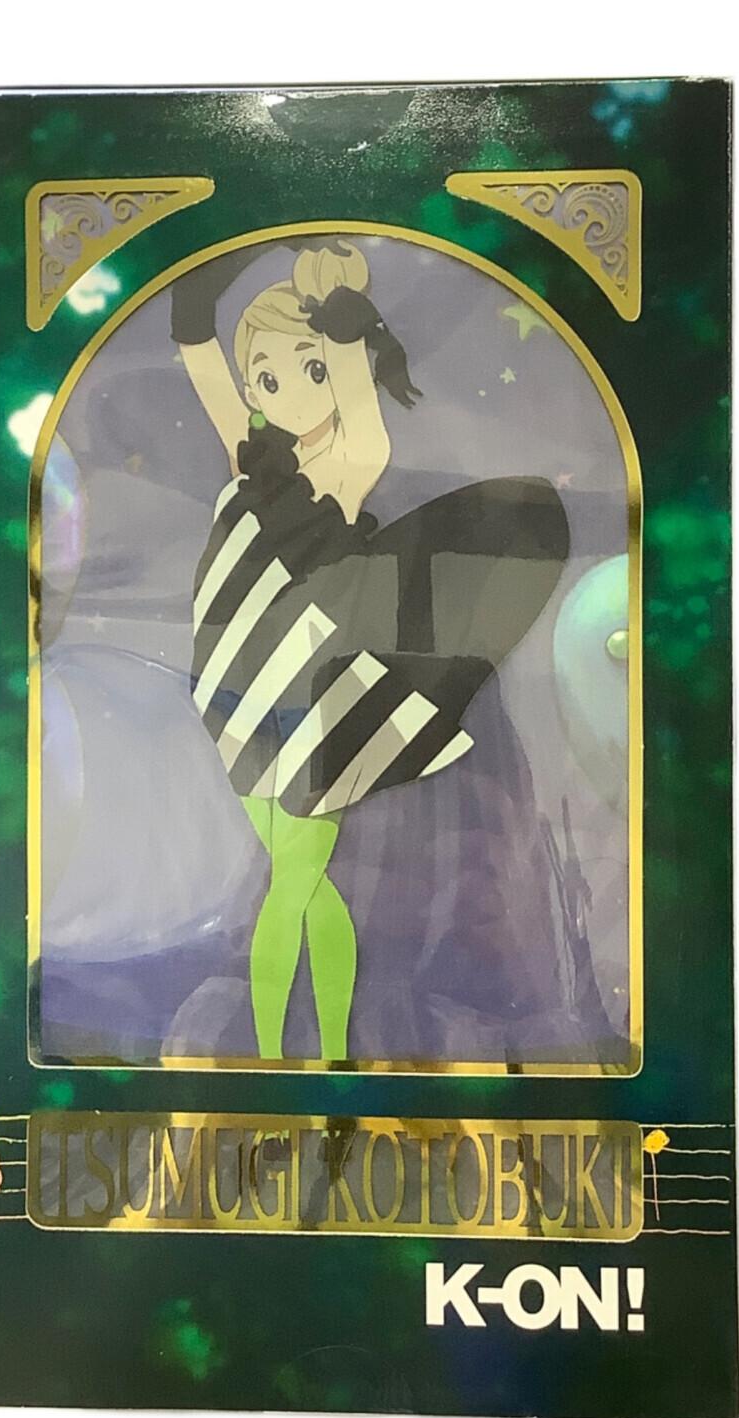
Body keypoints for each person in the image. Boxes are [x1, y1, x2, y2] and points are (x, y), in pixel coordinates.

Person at [172, 238, 568, 1060]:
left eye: (307, 370)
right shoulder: (253, 454)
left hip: (307, 684)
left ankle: (287, 1064)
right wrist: (222, 271)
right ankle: (321, 1060)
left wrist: (343, 324)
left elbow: (356, 386)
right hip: (234, 672)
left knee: (296, 877)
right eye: (264, 378)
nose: (283, 392)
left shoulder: (355, 461)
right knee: (305, 882)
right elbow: (199, 351)